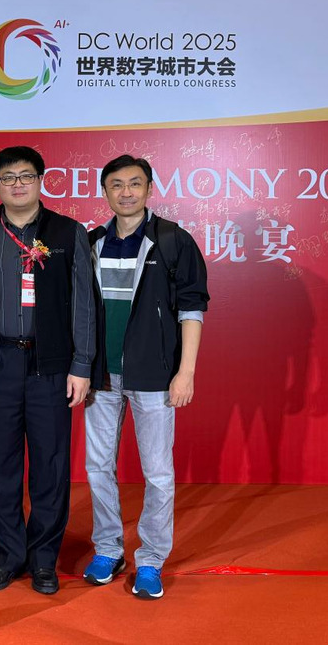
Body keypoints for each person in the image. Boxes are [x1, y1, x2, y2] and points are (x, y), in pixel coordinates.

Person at [0, 146, 96, 595]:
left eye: (25, 176)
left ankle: (43, 560)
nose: (17, 184)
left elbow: (83, 303)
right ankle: (6, 556)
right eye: (7, 177)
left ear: (41, 180)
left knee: (50, 464)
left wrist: (81, 364)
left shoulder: (67, 232)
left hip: (51, 365)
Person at [82, 154, 209, 600]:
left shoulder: (172, 240)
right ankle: (107, 549)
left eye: (135, 184)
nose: (126, 192)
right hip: (101, 376)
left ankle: (151, 559)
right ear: (105, 192)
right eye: (116, 185)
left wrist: (185, 373)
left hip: (154, 375)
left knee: (157, 473)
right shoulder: (92, 242)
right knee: (97, 467)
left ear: (150, 189)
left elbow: (192, 309)